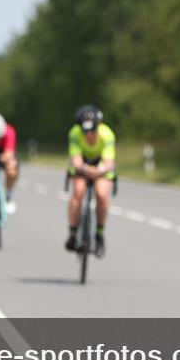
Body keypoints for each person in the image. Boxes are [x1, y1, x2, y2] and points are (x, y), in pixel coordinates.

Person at [64, 105, 116, 257]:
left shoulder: (107, 134)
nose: (89, 135)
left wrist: (99, 171)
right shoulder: (74, 133)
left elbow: (109, 162)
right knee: (78, 192)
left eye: (92, 131)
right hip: (82, 166)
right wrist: (85, 169)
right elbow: (76, 160)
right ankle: (73, 233)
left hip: (102, 166)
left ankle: (99, 233)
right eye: (85, 131)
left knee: (101, 194)